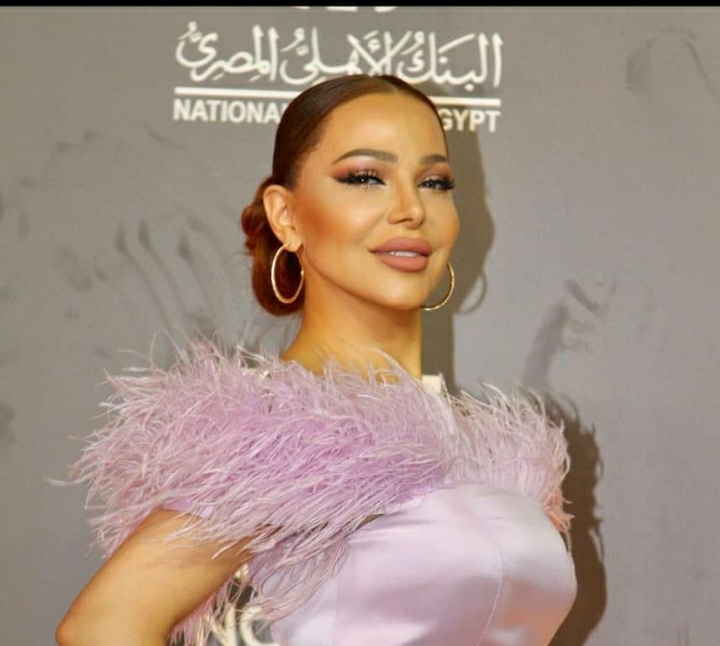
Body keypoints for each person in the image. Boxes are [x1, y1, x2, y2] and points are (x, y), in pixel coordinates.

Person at [56, 74, 577, 646]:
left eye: (434, 182)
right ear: (286, 216)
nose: (411, 209)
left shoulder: (490, 459)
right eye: (364, 178)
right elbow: (102, 625)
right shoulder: (279, 437)